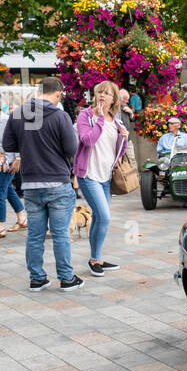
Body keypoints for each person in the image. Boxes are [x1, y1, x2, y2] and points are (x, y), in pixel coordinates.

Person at [1, 77, 84, 290]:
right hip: (57, 182)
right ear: (58, 93)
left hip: (30, 184)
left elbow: (8, 143)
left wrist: (27, 147)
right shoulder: (59, 115)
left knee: (35, 235)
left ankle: (37, 278)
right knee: (60, 234)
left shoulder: (18, 113)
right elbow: (71, 148)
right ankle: (66, 278)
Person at [74, 81, 130, 277]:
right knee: (104, 216)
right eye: (99, 92)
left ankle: (95, 258)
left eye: (106, 93)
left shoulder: (116, 121)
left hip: (105, 177)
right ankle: (94, 259)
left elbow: (118, 152)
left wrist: (124, 138)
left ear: (113, 98)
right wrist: (98, 119)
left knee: (99, 217)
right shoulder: (85, 116)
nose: (102, 96)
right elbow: (87, 140)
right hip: (88, 175)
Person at [0, 144, 26, 238]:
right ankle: (21, 218)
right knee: (8, 189)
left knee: (1, 192)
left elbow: (17, 137)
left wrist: (18, 158)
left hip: (6, 161)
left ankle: (1, 227)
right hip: (6, 160)